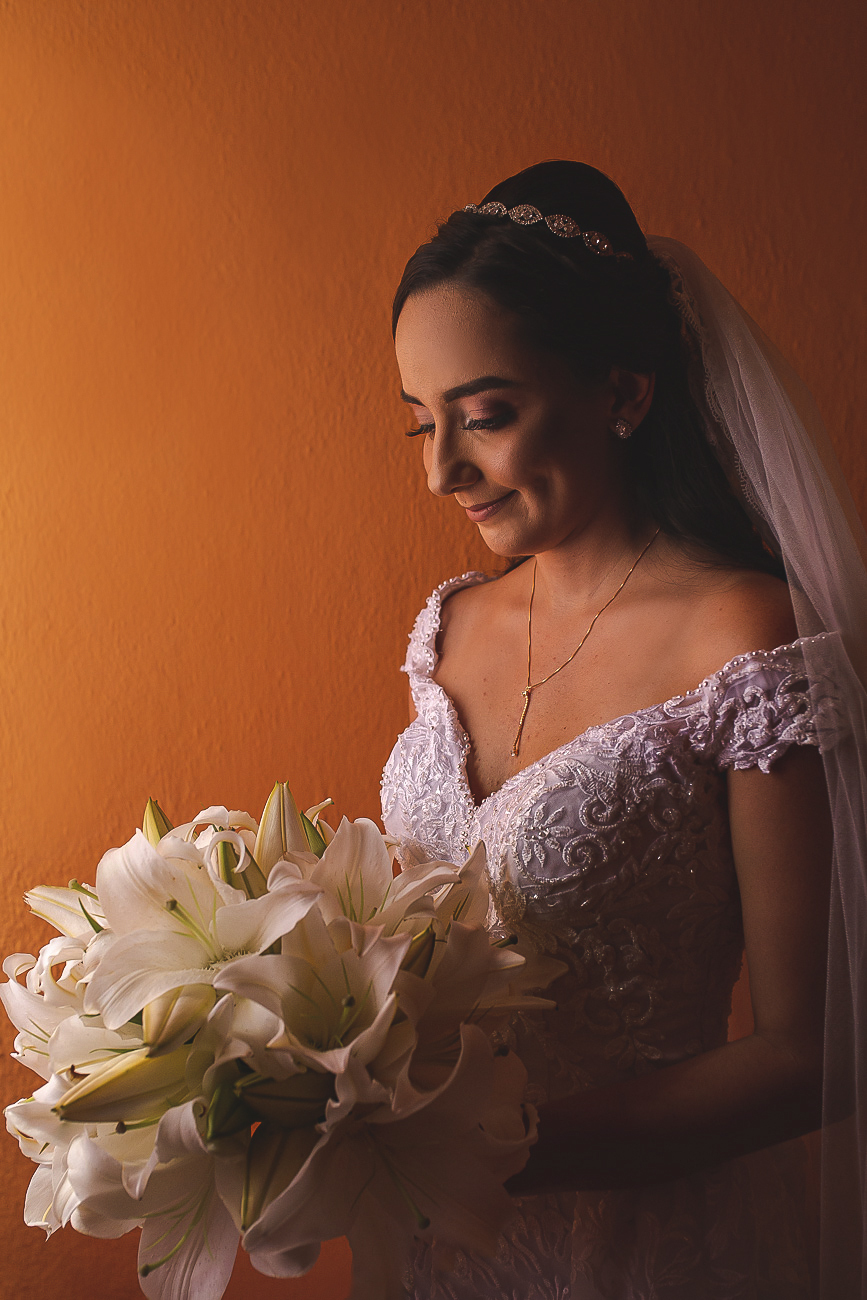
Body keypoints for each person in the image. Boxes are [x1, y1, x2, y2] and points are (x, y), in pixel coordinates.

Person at [380, 161, 867, 1299]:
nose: (444, 468)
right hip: (433, 1248)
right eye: (419, 423)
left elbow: (818, 1052)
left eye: (485, 416)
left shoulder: (745, 639)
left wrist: (488, 1151)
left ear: (623, 393)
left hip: (652, 1250)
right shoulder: (446, 629)